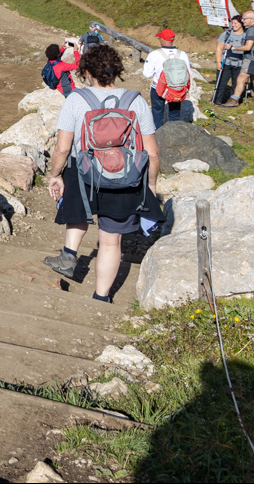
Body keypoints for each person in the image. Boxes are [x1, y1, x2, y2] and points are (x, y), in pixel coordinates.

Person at [42, 44, 163, 303]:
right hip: (125, 177)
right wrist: (150, 185)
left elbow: (63, 148)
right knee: (110, 242)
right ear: (116, 69)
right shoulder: (136, 101)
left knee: (78, 212)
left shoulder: (76, 99)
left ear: (86, 71)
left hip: (83, 171)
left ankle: (68, 255)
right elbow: (152, 153)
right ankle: (101, 297)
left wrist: (55, 175)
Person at [142, 28, 193, 128]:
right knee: (175, 114)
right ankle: (173, 135)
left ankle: (157, 136)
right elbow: (189, 74)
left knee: (157, 114)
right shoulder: (183, 54)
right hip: (177, 88)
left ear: (162, 40)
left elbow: (147, 74)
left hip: (158, 88)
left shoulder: (154, 54)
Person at [223, 11, 254, 106]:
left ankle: (234, 100)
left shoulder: (251, 30)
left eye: (244, 19)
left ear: (251, 19)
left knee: (241, 78)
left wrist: (233, 48)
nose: (243, 21)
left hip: (251, 58)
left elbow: (248, 47)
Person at [213, 15, 247, 106]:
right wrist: (218, 62)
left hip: (240, 63)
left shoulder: (247, 35)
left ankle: (233, 100)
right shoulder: (226, 34)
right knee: (221, 83)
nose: (233, 25)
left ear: (241, 24)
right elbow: (219, 49)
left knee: (236, 83)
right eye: (232, 23)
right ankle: (217, 100)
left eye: (236, 23)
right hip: (226, 62)